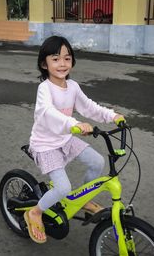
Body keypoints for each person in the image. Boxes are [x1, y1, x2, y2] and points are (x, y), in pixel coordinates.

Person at [24, 35, 125, 244]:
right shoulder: (45, 89)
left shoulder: (73, 86)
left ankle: (84, 200)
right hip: (45, 145)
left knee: (97, 162)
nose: (62, 63)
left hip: (66, 138)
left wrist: (112, 116)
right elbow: (48, 113)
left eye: (67, 58)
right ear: (44, 63)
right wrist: (73, 124)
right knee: (62, 188)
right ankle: (35, 212)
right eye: (55, 58)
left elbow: (89, 106)